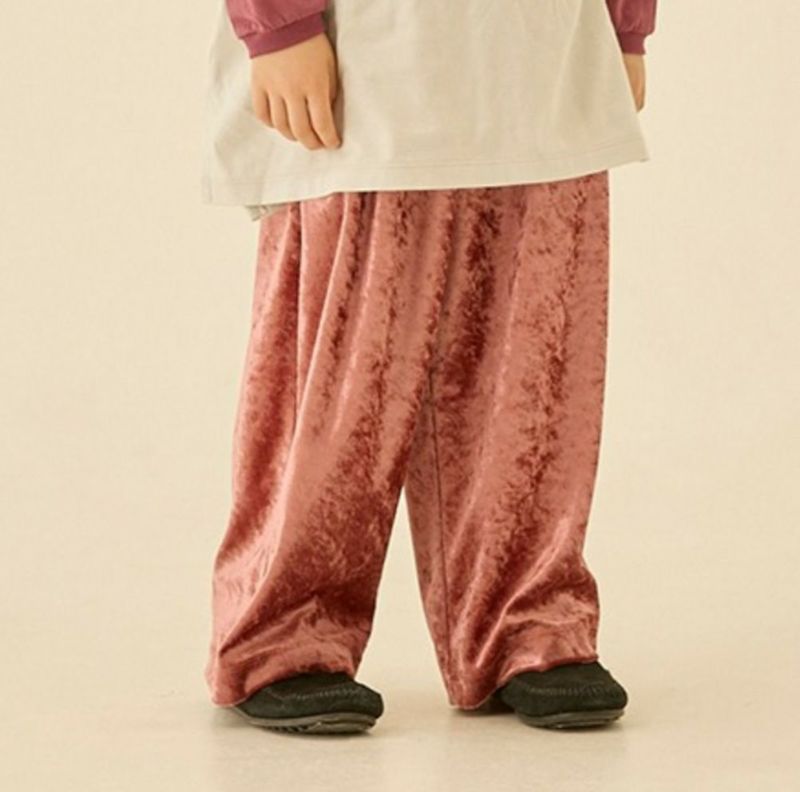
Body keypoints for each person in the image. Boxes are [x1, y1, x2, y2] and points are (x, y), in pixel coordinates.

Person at [201, 0, 658, 735]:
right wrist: (278, 21)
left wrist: (625, 24)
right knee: (338, 387)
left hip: (548, 51)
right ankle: (285, 629)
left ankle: (526, 622)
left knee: (534, 383)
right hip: (367, 53)